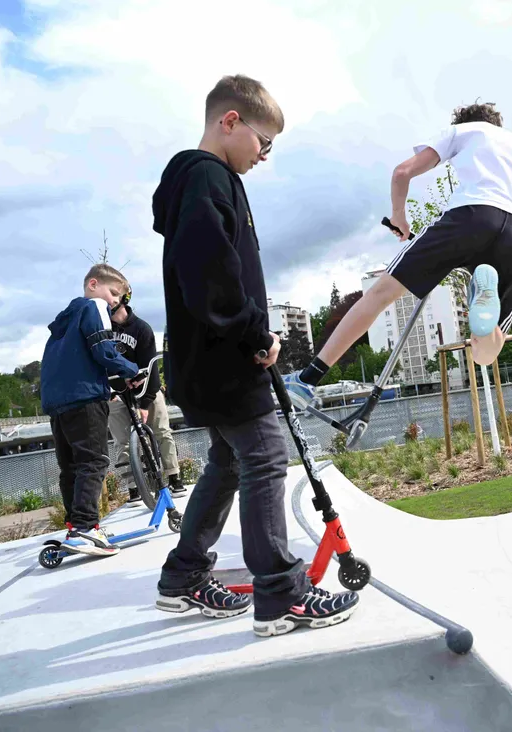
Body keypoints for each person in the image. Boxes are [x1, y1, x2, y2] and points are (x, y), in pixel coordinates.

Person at [151, 74, 358, 636]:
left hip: (205, 357)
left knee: (227, 461)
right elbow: (210, 271)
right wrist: (253, 333)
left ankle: (183, 576)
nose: (265, 156)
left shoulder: (200, 181)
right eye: (263, 143)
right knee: (265, 454)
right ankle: (282, 595)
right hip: (224, 356)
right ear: (231, 122)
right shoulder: (206, 178)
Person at [284, 101, 512, 407]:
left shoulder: (464, 131)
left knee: (380, 294)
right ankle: (486, 305)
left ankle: (306, 379)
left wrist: (399, 217)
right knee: (486, 352)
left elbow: (402, 172)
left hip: (470, 215)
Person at [40, 264, 142, 556]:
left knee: (70, 467)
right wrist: (131, 370)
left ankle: (75, 525)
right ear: (93, 284)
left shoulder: (63, 322)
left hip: (58, 403)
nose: (114, 302)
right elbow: (103, 350)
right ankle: (86, 528)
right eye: (113, 293)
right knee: (94, 462)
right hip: (85, 399)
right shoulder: (94, 306)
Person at [108, 286, 186, 503]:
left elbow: (151, 368)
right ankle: (133, 487)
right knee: (121, 441)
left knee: (161, 431)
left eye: (113, 297)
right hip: (117, 392)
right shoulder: (102, 330)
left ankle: (174, 476)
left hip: (146, 388)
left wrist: (145, 403)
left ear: (123, 299)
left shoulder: (141, 328)